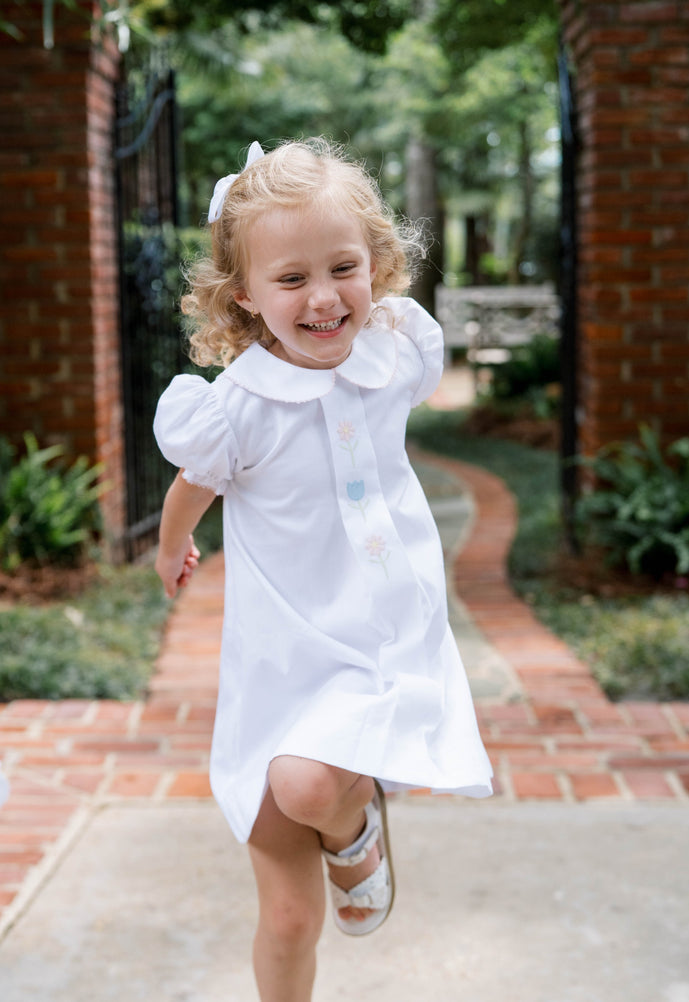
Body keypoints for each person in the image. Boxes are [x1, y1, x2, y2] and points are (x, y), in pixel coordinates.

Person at [153, 138, 493, 1002]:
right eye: (291, 278)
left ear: (374, 265)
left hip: (376, 640)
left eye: (341, 267)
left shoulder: (390, 355)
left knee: (307, 782)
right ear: (247, 296)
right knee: (291, 918)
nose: (322, 297)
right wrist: (169, 546)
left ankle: (352, 828)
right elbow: (193, 488)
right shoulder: (238, 404)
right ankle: (344, 856)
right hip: (277, 665)